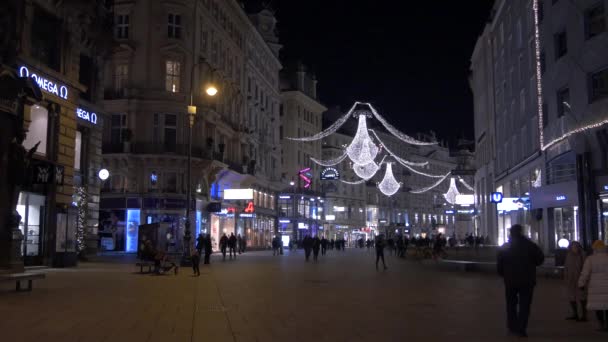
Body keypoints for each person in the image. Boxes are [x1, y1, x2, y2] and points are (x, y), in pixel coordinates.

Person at [497, 224, 544, 337]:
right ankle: (521, 328)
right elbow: (540, 260)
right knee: (525, 305)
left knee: (511, 304)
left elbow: (499, 265)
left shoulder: (505, 247)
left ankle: (512, 326)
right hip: (527, 280)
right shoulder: (530, 245)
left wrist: (504, 274)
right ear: (521, 232)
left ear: (511, 233)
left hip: (510, 280)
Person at [578, 240, 608, 331]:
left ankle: (601, 324)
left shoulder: (590, 259)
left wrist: (581, 284)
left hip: (595, 286)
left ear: (594, 248)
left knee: (598, 306)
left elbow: (585, 273)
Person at [564, 241, 587, 321]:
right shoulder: (569, 255)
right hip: (571, 279)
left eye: (576, 246)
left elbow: (586, 267)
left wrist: (584, 279)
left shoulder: (582, 255)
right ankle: (575, 314)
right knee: (572, 297)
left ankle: (584, 315)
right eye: (573, 247)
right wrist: (566, 277)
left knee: (582, 297)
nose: (574, 248)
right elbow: (566, 267)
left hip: (580, 279)